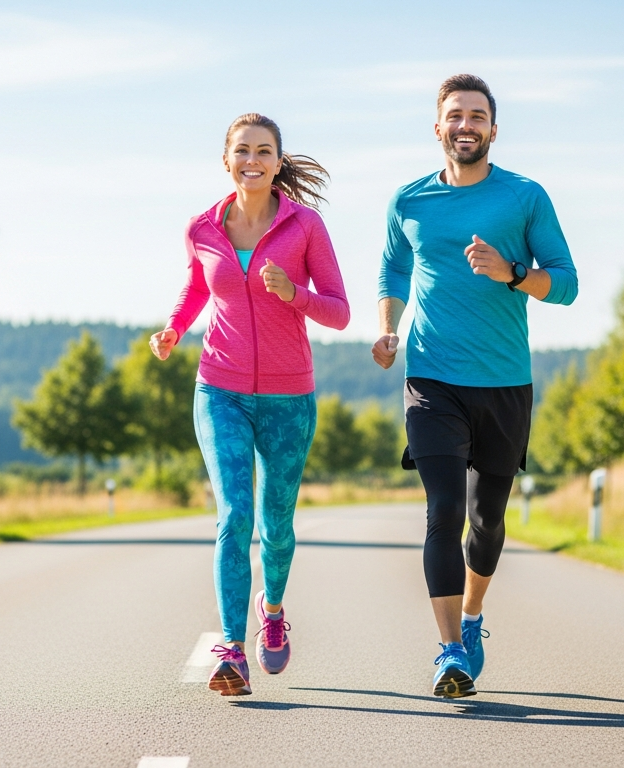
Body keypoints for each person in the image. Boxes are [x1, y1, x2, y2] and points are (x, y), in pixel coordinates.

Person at [373, 75, 578, 698]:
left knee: (487, 519)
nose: (466, 125)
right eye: (455, 115)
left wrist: (512, 273)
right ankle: (449, 652)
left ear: (493, 129)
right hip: (432, 376)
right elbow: (392, 270)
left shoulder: (524, 197)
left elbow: (565, 284)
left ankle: (471, 618)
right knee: (445, 510)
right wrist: (387, 330)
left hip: (504, 382)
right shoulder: (409, 201)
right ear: (437, 127)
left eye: (478, 116)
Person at [151, 113, 349, 696]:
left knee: (277, 525)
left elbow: (339, 311)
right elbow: (196, 288)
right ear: (226, 160)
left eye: (264, 151)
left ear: (278, 161)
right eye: (242, 151)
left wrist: (294, 294)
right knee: (235, 515)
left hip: (290, 396)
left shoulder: (304, 226)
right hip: (220, 388)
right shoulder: (202, 227)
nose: (252, 160)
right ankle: (232, 649)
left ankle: (274, 606)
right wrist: (172, 329)